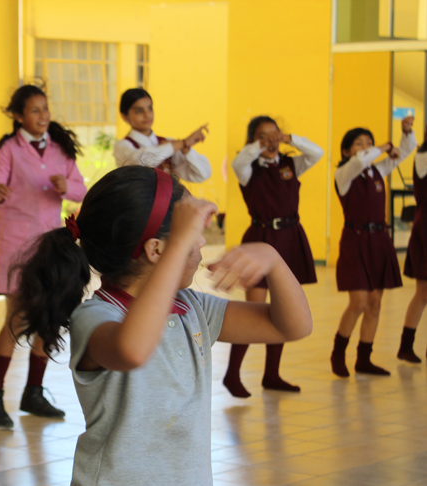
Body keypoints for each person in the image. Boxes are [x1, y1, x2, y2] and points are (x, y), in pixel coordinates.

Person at [10, 165, 312, 486]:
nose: (203, 246)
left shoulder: (193, 309)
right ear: (156, 250)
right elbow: (134, 349)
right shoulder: (96, 317)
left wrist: (273, 259)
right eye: (193, 240)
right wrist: (177, 249)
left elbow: (292, 326)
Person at [0, 84, 87, 428]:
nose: (43, 116)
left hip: (49, 246)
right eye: (35, 110)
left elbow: (80, 189)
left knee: (50, 318)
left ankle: (34, 392)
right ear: (18, 116)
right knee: (17, 319)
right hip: (15, 244)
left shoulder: (59, 149)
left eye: (45, 108)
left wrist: (65, 188)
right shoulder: (8, 150)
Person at [222, 116, 323, 397]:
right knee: (255, 307)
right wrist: (259, 145)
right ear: (253, 141)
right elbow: (238, 162)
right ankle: (232, 374)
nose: (270, 141)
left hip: (290, 238)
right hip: (260, 239)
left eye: (274, 135)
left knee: (283, 308)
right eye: (262, 137)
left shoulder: (292, 164)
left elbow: (318, 152)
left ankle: (272, 374)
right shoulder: (248, 169)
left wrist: (290, 139)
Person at [331, 118, 415, 377]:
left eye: (368, 142)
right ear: (346, 151)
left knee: (375, 302)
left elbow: (407, 149)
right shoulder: (344, 173)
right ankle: (338, 353)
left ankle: (364, 358)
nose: (366, 147)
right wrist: (382, 146)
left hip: (379, 240)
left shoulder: (378, 170)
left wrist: (406, 133)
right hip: (355, 240)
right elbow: (359, 161)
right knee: (358, 301)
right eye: (359, 143)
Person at [113, 88, 211, 183]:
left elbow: (202, 174)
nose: (147, 115)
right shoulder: (122, 146)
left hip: (170, 200)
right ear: (124, 116)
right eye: (139, 111)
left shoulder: (169, 142)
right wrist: (182, 143)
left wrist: (186, 149)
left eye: (150, 108)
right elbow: (140, 162)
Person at [398, 126, 427, 363]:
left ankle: (406, 346)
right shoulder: (423, 156)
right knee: (422, 292)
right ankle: (406, 345)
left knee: (423, 292)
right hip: (425, 228)